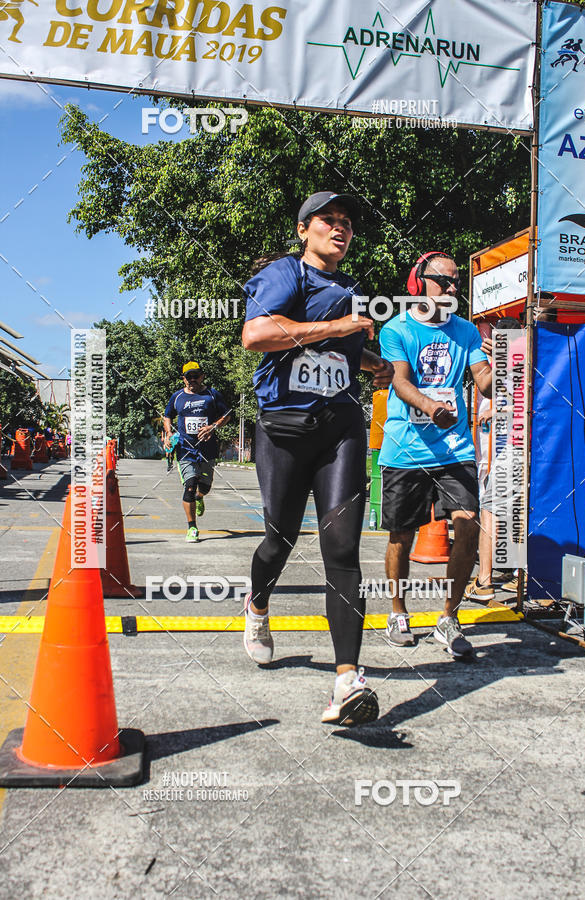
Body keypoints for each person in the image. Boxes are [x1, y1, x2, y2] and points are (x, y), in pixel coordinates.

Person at [242, 190, 394, 726]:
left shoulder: (351, 289)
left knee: (343, 549)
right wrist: (337, 327)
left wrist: (371, 363)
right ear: (304, 229)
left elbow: (337, 352)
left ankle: (347, 680)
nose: (340, 228)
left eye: (347, 222)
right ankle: (257, 606)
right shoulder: (287, 274)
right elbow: (256, 335)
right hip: (284, 429)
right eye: (328, 220)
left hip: (340, 429)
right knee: (279, 539)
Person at [379, 251, 492, 655]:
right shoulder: (395, 329)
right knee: (401, 535)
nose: (452, 288)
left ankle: (448, 618)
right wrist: (430, 407)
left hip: (455, 449)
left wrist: (503, 365)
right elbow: (400, 381)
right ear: (418, 283)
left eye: (457, 281)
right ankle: (398, 612)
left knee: (468, 524)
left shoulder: (466, 331)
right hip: (406, 449)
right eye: (444, 280)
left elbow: (483, 380)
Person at [466, 317, 524, 602]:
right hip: (522, 448)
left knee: (490, 509)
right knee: (518, 511)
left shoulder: (517, 358)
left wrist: (498, 412)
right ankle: (518, 575)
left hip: (516, 447)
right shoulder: (528, 355)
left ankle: (484, 581)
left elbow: (526, 403)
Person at [163, 362, 230, 542]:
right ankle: (192, 528)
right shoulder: (177, 397)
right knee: (190, 485)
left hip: (207, 450)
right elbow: (167, 415)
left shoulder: (212, 395)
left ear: (202, 376)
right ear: (183, 379)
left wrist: (213, 427)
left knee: (205, 487)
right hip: (185, 450)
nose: (192, 380)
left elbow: (227, 415)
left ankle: (200, 497)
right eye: (189, 377)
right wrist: (168, 434)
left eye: (196, 376)